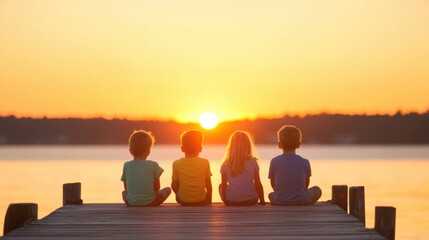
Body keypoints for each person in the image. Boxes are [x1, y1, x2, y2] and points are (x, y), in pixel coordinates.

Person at [268, 125, 322, 205]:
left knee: (270, 195)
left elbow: (273, 184)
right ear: (298, 145)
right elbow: (306, 184)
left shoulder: (274, 161)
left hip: (279, 201)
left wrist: (281, 195)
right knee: (317, 190)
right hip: (301, 201)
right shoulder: (305, 162)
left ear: (279, 145)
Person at [121, 130, 171, 206]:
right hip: (151, 202)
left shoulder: (126, 165)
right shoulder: (154, 165)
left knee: (123, 192)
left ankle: (134, 200)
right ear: (148, 151)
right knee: (168, 190)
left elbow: (126, 187)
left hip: (131, 202)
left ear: (130, 151)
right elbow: (157, 187)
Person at [219, 131, 266, 206]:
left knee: (221, 185)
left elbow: (224, 186)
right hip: (251, 200)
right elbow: (258, 184)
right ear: (248, 146)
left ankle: (229, 199)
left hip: (231, 201)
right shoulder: (253, 162)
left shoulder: (226, 163)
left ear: (231, 146)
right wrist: (262, 201)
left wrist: (226, 200)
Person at [171, 129, 212, 206]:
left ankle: (184, 197)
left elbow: (174, 185)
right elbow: (208, 185)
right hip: (201, 201)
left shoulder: (176, 163)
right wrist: (209, 202)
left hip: (183, 201)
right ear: (200, 149)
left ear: (182, 149)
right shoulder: (205, 162)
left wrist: (179, 194)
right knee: (205, 192)